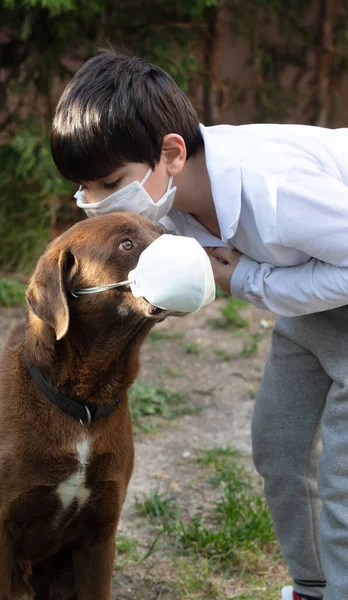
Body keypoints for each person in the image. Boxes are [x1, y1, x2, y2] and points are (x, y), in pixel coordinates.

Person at [50, 50, 348, 600]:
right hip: (310, 301)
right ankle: (313, 586)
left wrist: (250, 282)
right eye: (84, 189)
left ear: (172, 152)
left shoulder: (279, 191)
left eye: (110, 182)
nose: (95, 203)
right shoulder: (170, 202)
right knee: (279, 445)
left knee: (343, 477)